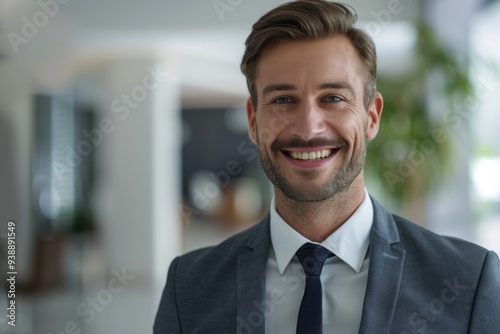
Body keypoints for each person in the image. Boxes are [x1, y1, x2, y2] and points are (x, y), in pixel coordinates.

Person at [154, 1, 500, 333]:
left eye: (333, 98)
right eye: (283, 100)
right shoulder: (189, 287)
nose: (308, 128)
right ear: (253, 120)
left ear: (371, 117)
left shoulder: (467, 278)